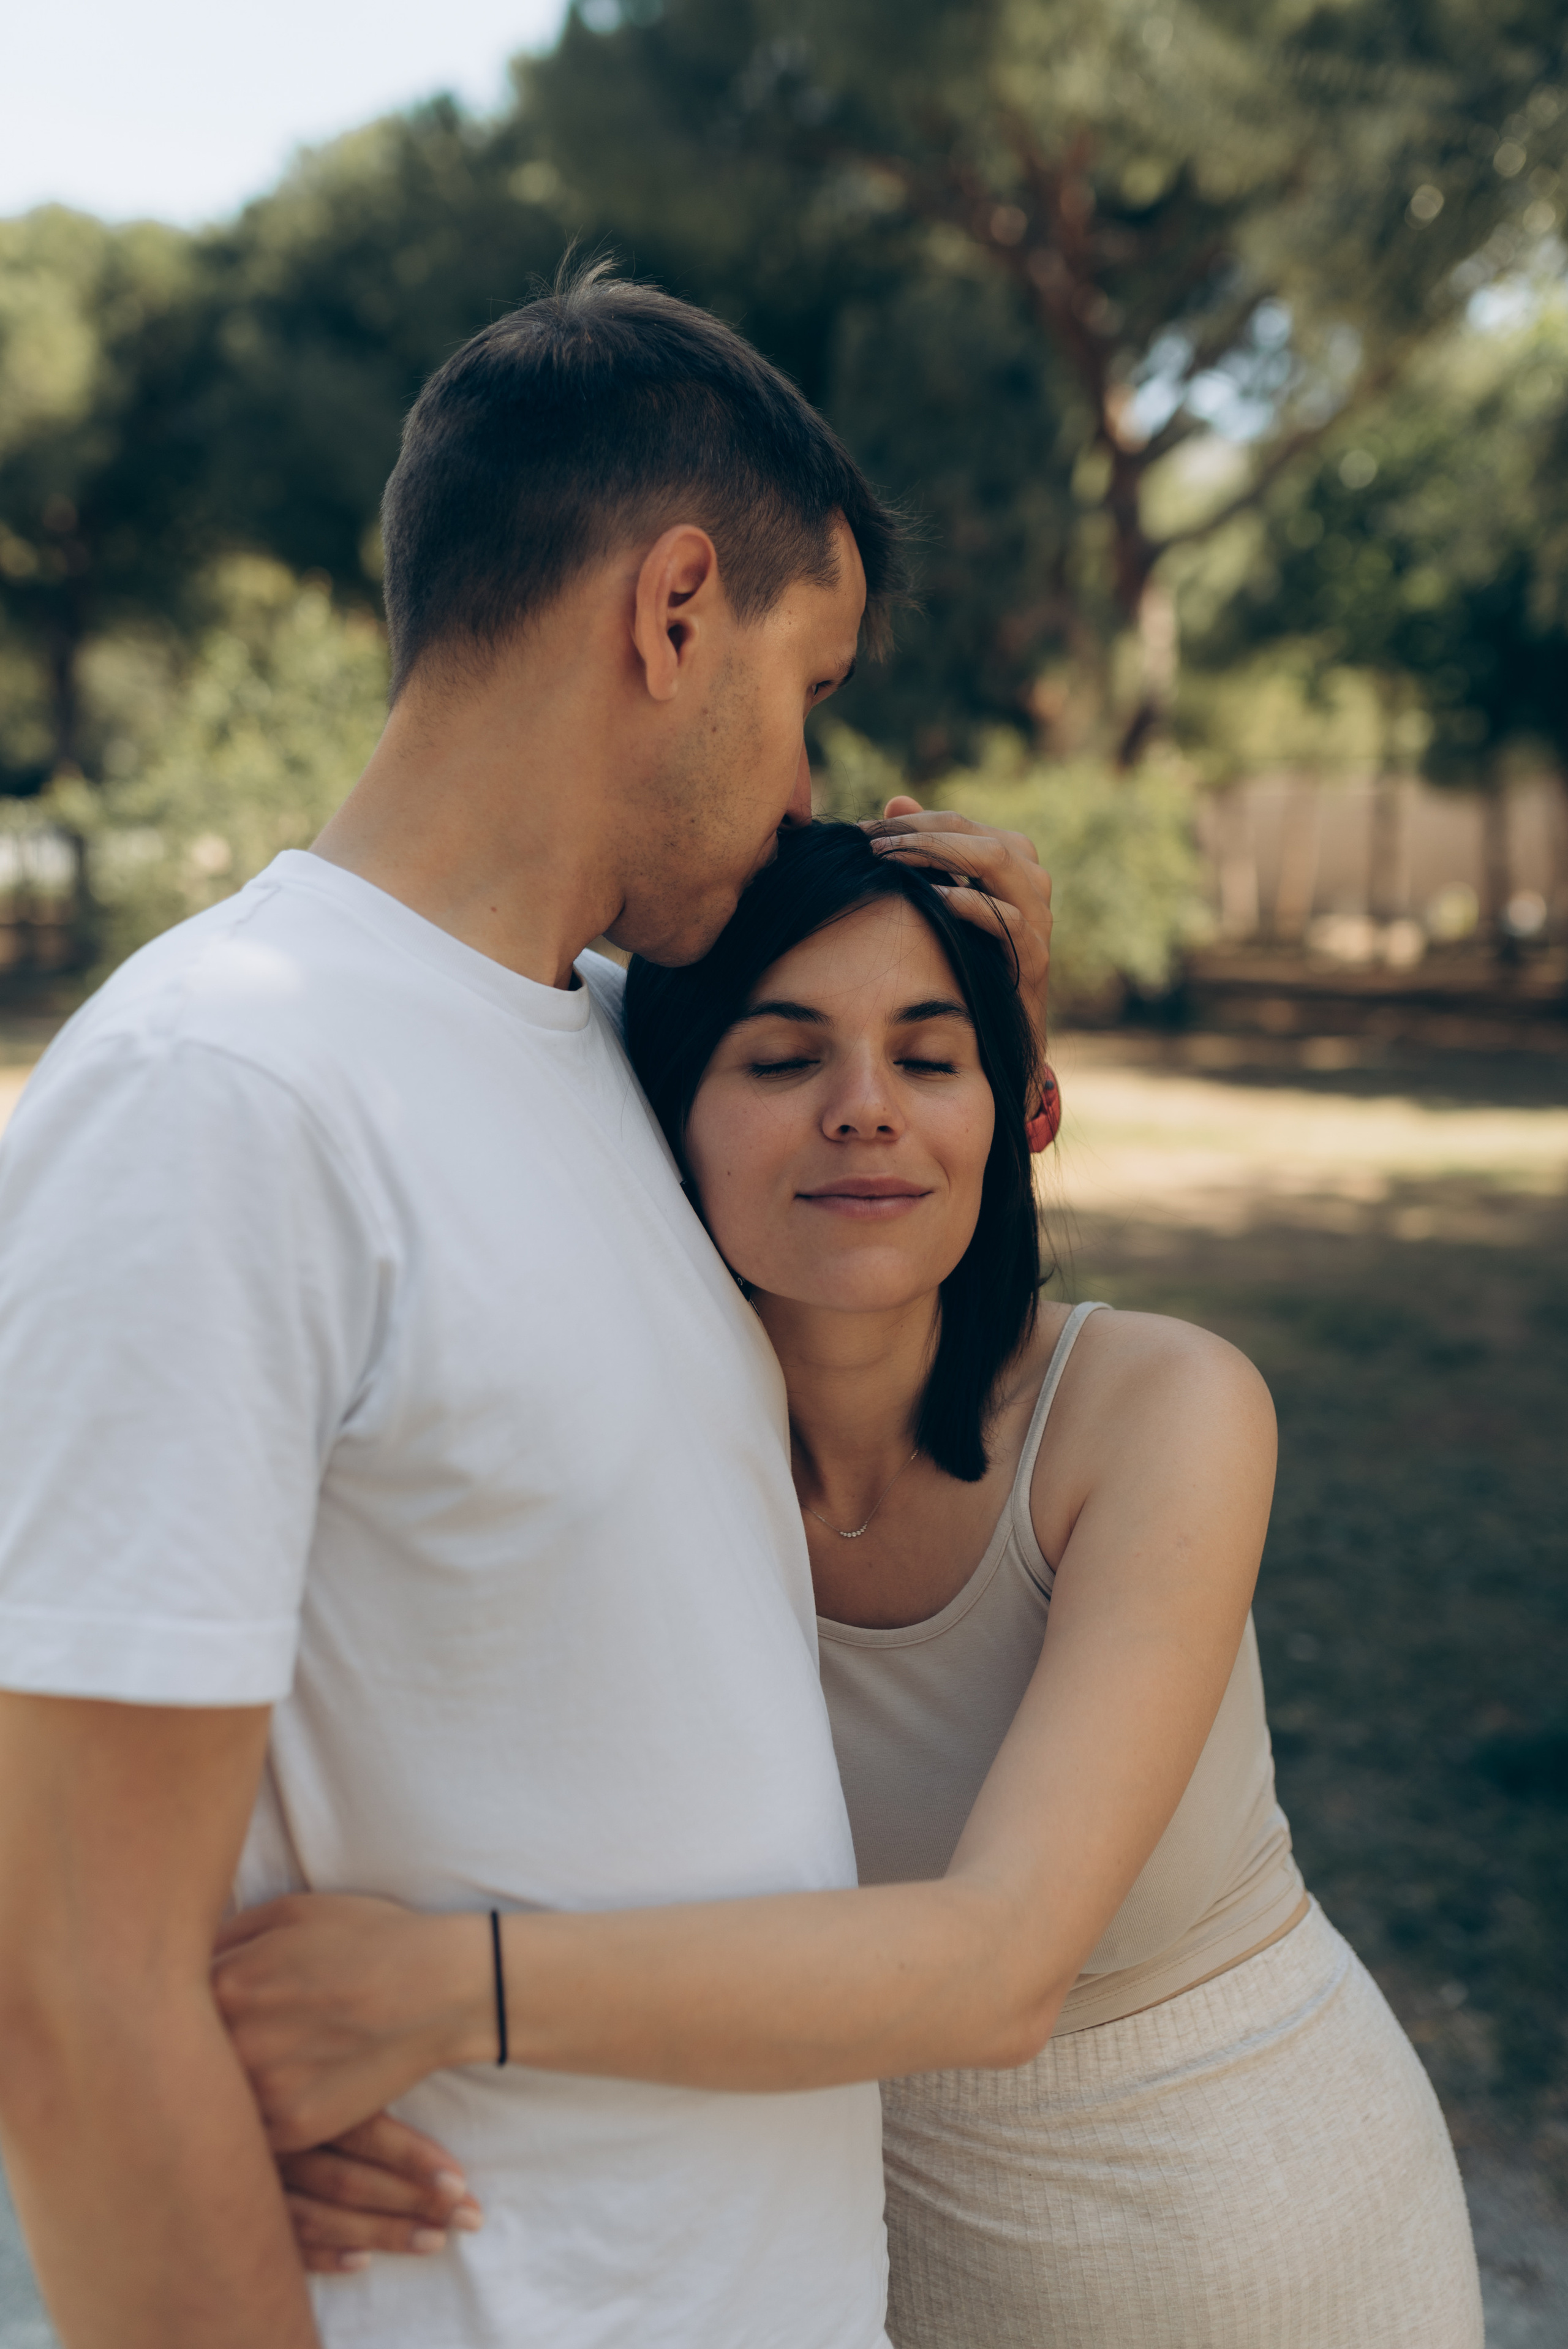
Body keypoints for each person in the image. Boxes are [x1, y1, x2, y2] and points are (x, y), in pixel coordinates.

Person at [0, 263, 1051, 2349]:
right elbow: (68, 1989)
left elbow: (861, 1335)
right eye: (806, 689)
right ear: (674, 614)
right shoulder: (229, 1092)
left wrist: (1008, 1047)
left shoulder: (592, 1051)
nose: (802, 775)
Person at [214, 822, 1484, 2349]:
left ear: (1021, 1111)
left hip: (1246, 2238)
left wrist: (426, 1997)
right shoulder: (620, 1462)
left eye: (928, 1059)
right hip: (843, 2254)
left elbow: (998, 1965)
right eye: (779, 1059)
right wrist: (248, 2095)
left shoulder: (1159, 1409)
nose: (864, 1112)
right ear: (659, 1119)